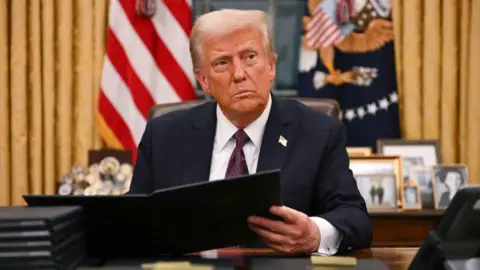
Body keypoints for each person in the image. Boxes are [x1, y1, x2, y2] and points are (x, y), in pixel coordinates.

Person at [128, 9, 372, 255]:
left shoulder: (318, 132)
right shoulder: (165, 136)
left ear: (271, 67)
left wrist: (315, 234)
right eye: (222, 63)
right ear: (204, 81)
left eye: (250, 57)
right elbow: (132, 220)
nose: (239, 74)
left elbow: (355, 219)